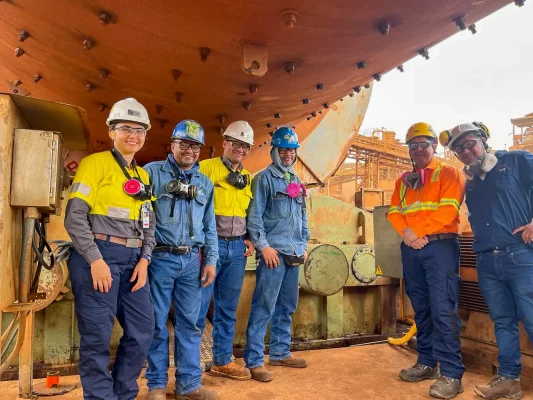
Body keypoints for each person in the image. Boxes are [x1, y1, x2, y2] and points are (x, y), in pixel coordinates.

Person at [65, 98, 155, 400]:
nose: (134, 135)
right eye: (126, 128)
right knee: (97, 337)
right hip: (99, 259)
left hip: (133, 263)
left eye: (140, 129)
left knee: (143, 331)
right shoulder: (95, 164)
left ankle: (123, 393)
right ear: (112, 131)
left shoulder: (142, 177)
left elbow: (149, 224)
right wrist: (94, 260)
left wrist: (144, 260)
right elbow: (75, 217)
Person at [441, 122, 533, 400]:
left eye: (470, 143)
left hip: (520, 256)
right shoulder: (471, 182)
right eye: (459, 148)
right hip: (487, 261)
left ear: (484, 141)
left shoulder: (516, 160)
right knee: (503, 321)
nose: (466, 150)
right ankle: (508, 379)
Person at [387, 122, 466, 399]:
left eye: (424, 144)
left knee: (443, 309)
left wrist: (415, 233)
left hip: (440, 248)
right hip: (412, 249)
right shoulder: (404, 180)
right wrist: (408, 235)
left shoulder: (449, 173)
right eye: (413, 145)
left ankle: (452, 373)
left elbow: (447, 211)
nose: (419, 149)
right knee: (420, 307)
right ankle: (427, 362)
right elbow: (394, 211)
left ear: (434, 145)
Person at [144, 120, 218, 400]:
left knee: (190, 323)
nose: (189, 150)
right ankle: (156, 385)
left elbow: (209, 226)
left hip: (192, 261)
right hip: (160, 259)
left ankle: (188, 384)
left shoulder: (205, 183)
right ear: (171, 145)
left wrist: (210, 260)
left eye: (195, 146)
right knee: (157, 322)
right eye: (183, 144)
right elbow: (142, 218)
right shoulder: (151, 174)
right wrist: (144, 256)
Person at [244, 126, 310, 382]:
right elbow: (255, 216)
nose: (287, 155)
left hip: (294, 252)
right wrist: (264, 247)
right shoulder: (263, 179)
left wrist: (304, 243)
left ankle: (281, 352)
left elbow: (303, 215)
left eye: (291, 151)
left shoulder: (297, 182)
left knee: (287, 306)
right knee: (264, 306)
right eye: (283, 150)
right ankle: (255, 360)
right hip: (273, 254)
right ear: (274, 151)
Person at [196, 121, 255, 380]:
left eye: (245, 146)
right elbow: (195, 209)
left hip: (237, 248)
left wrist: (250, 237)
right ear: (224, 143)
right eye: (235, 143)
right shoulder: (205, 169)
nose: (239, 149)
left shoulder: (248, 177)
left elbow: (248, 211)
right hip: (211, 246)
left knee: (227, 309)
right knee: (196, 308)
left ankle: (221, 361)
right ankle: (190, 365)